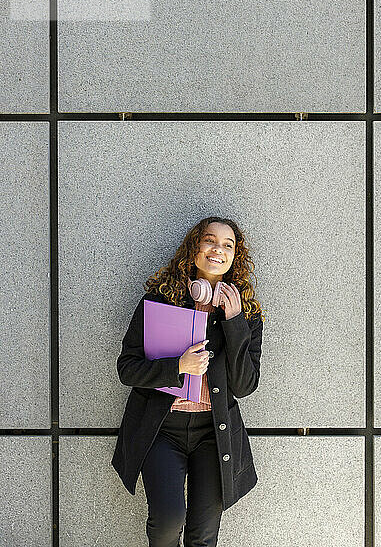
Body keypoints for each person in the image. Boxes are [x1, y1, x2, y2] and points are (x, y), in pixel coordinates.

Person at [111, 216, 266, 547]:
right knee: (168, 520)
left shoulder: (246, 315)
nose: (218, 250)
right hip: (161, 430)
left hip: (214, 434)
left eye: (228, 245)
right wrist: (178, 366)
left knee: (203, 533)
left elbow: (244, 385)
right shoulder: (159, 301)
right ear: (193, 248)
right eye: (210, 240)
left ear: (235, 256)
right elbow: (128, 369)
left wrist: (234, 321)